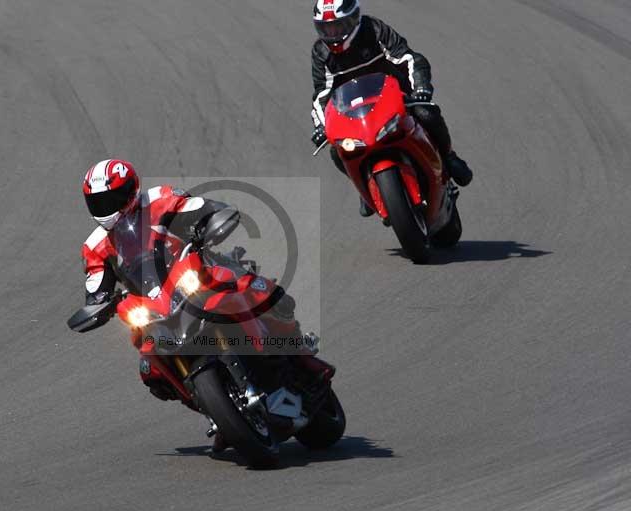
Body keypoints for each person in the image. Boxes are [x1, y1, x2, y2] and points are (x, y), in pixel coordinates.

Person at [78, 160, 334, 451]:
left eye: (111, 198)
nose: (105, 206)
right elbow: (96, 284)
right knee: (150, 369)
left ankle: (294, 348)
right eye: (97, 201)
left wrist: (210, 219)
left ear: (131, 190)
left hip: (192, 273)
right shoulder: (95, 245)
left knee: (252, 288)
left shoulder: (159, 199)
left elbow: (196, 207)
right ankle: (219, 411)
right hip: (153, 306)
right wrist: (99, 304)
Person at [310, 0, 473, 217]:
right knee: (337, 151)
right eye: (326, 29)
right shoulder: (321, 52)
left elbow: (408, 57)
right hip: (355, 114)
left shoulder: (373, 30)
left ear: (353, 19)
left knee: (426, 112)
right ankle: (365, 186)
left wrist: (421, 87)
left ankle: (450, 157)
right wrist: (321, 126)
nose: (332, 33)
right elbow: (322, 94)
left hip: (396, 98)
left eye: (337, 26)